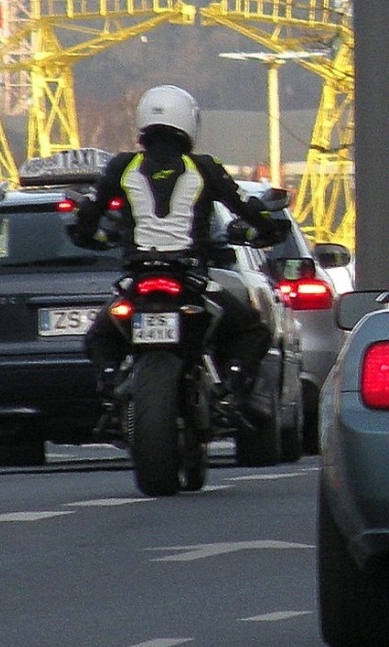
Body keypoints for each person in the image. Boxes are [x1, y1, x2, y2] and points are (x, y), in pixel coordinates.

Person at [69, 84, 288, 409]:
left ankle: (112, 382)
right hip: (191, 281)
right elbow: (248, 207)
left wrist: (95, 238)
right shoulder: (203, 167)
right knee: (251, 331)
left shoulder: (122, 166)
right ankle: (231, 389)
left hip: (138, 281)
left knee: (100, 335)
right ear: (189, 122)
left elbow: (87, 214)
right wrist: (266, 231)